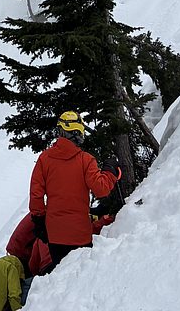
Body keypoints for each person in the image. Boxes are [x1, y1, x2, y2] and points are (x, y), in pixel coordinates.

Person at [28, 111, 120, 268]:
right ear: (78, 133)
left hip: (55, 234)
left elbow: (36, 195)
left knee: (61, 278)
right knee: (79, 278)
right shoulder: (86, 160)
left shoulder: (45, 159)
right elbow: (101, 190)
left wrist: (39, 221)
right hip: (80, 233)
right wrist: (110, 171)